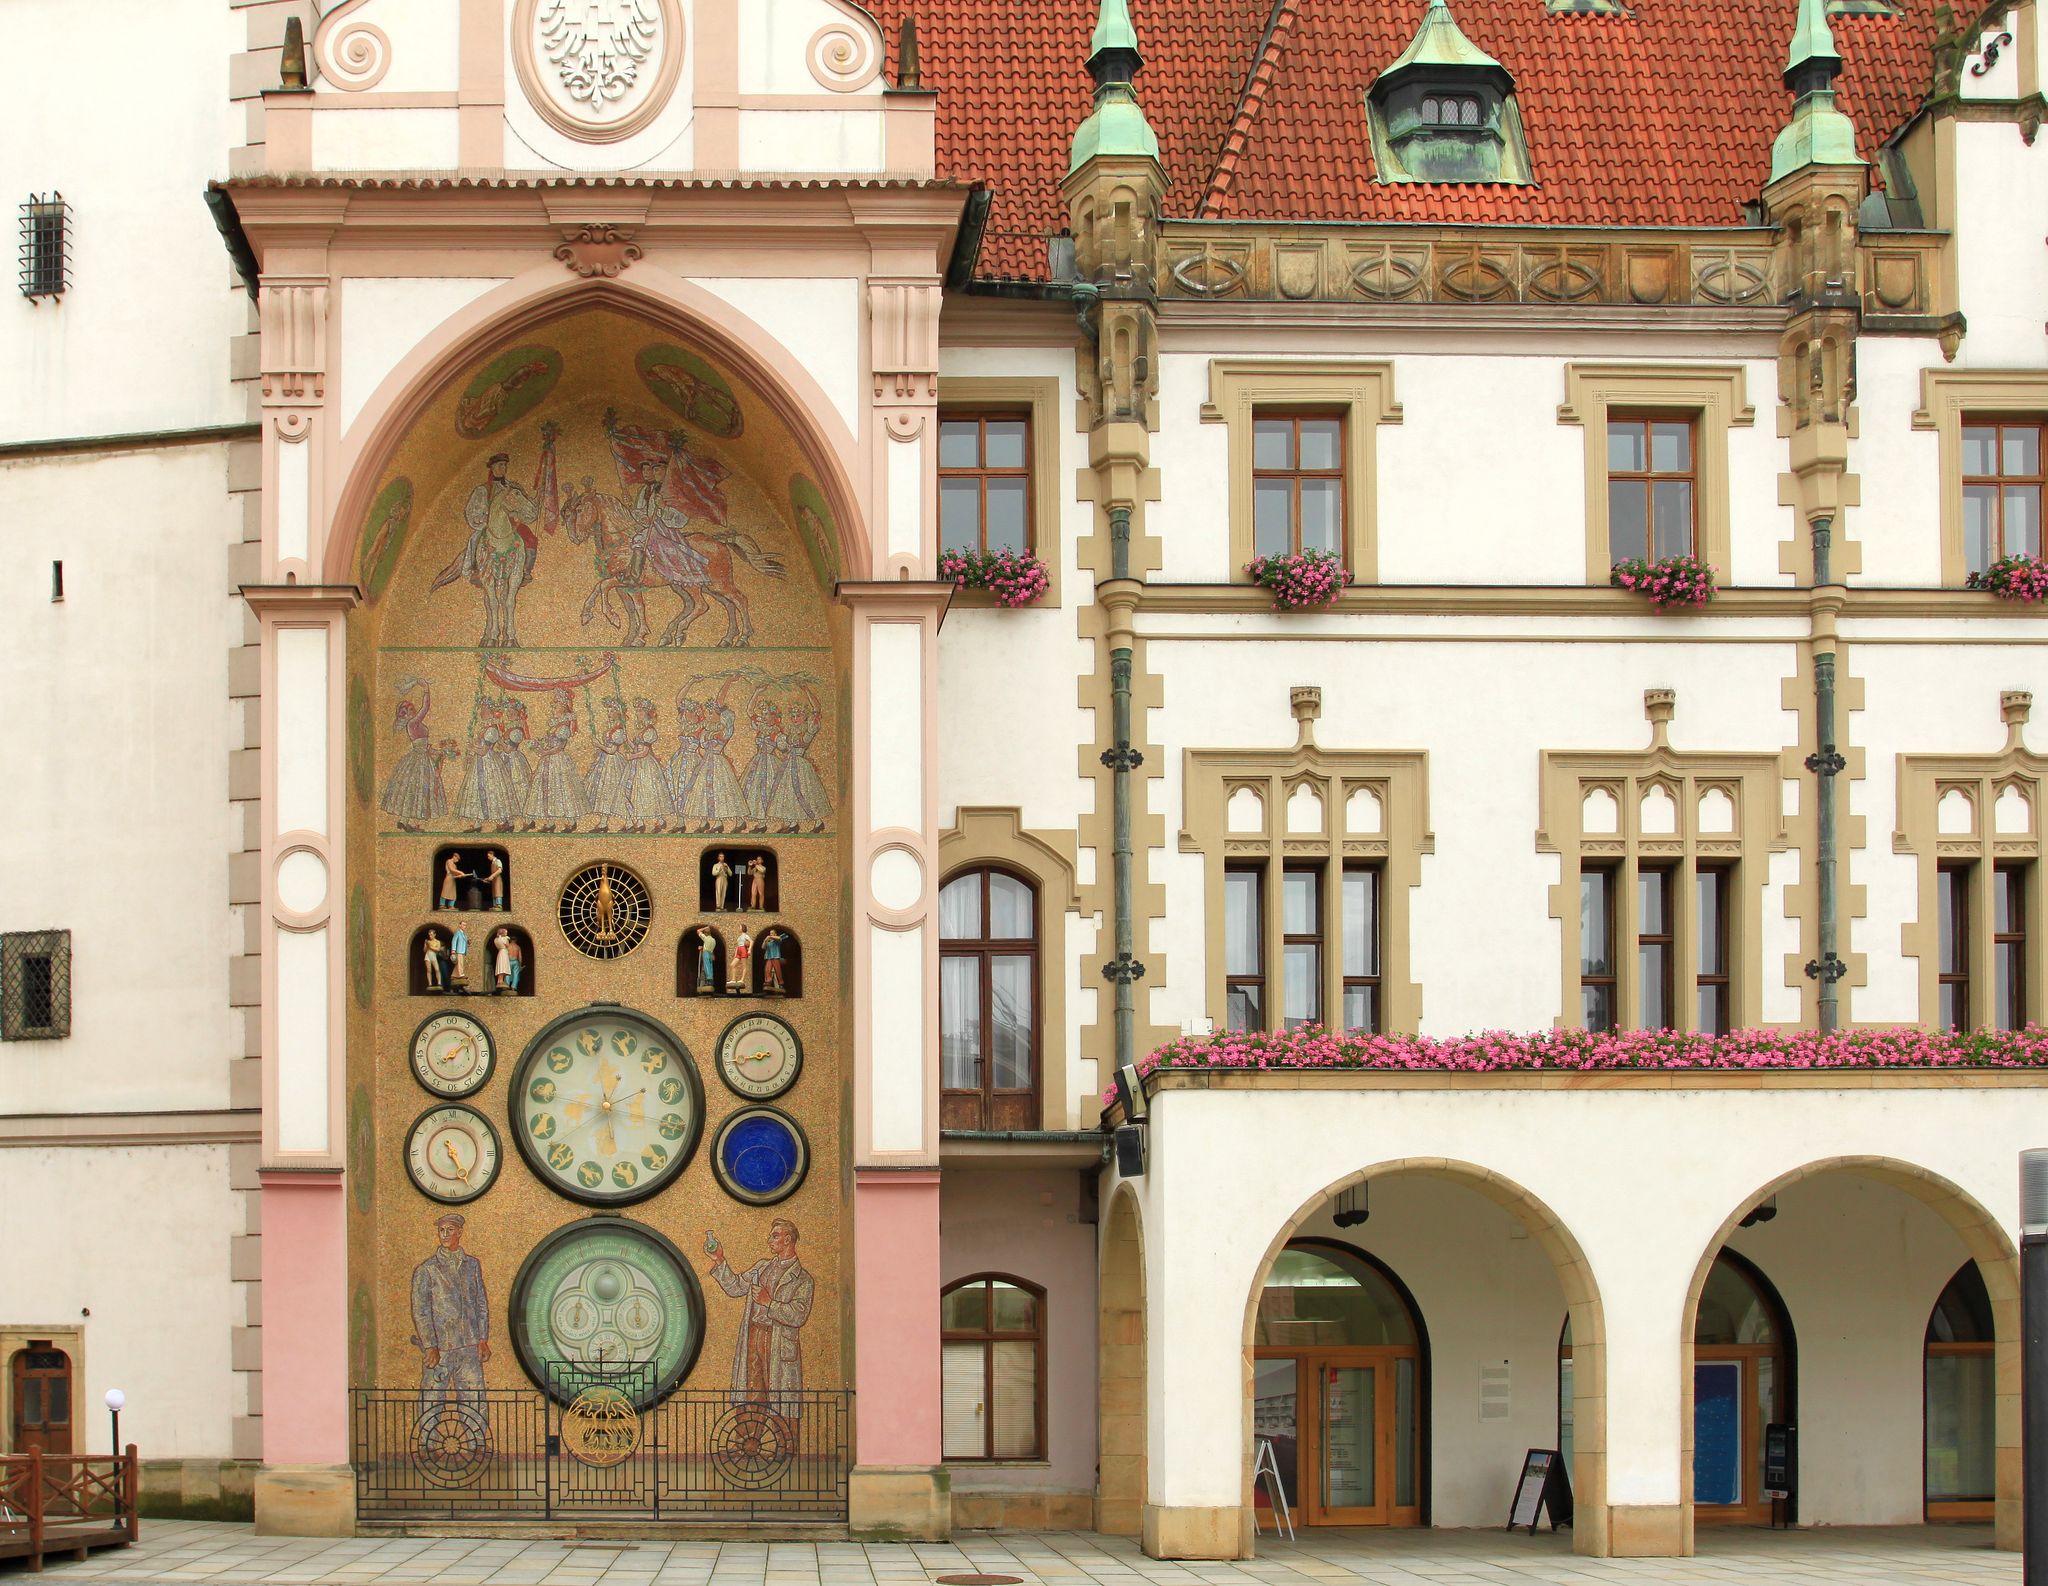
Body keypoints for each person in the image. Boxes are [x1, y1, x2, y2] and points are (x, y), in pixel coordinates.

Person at [706, 1219, 813, 1419]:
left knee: (782, 1399)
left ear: (788, 1239)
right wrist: (719, 1260)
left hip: (778, 1341)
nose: (769, 1240)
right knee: (751, 1391)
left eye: (775, 1236)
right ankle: (748, 1445)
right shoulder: (762, 1267)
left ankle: (785, 1448)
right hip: (754, 1335)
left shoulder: (803, 1279)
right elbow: (736, 1287)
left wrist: (768, 1303)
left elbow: (798, 1315)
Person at [411, 1214, 492, 1436]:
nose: (445, 1234)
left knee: (475, 1398)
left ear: (459, 1232)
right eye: (441, 1230)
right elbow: (421, 1311)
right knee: (432, 1398)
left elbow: (480, 1303)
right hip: (441, 1349)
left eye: (449, 1230)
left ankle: (475, 1445)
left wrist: (483, 1339)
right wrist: (430, 1345)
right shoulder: (427, 1269)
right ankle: (429, 1444)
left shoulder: (472, 1265)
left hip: (469, 1345)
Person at [381, 682, 447, 833]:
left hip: (423, 756)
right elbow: (425, 708)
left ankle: (405, 822)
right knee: (416, 788)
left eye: (412, 708)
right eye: (410, 709)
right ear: (406, 714)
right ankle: (407, 822)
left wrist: (439, 752)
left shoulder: (416, 724)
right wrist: (426, 690)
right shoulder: (412, 723)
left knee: (416, 789)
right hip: (418, 759)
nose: (414, 710)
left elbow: (425, 746)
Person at [759, 928, 787, 994]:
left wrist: (771, 937)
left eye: (772, 933)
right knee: (767, 970)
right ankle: (768, 982)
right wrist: (765, 941)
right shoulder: (768, 941)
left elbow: (779, 938)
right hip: (769, 957)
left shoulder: (777, 940)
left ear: (775, 934)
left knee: (778, 970)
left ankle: (781, 983)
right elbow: (763, 947)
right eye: (770, 933)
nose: (770, 934)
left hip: (775, 956)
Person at [727, 925, 753, 994]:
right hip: (739, 950)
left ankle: (742, 979)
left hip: (743, 949)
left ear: (742, 928)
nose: (739, 928)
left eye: (740, 927)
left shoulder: (745, 935)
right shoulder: (739, 937)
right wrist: (735, 954)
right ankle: (733, 979)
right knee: (732, 965)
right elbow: (737, 946)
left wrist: (749, 950)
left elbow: (751, 941)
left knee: (744, 965)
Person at [696, 926, 719, 993]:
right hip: (711, 953)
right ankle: (710, 980)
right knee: (710, 967)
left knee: (706, 967)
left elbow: (698, 931)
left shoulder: (705, 938)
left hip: (706, 953)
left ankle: (709, 981)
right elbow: (709, 947)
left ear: (705, 934)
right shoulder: (713, 940)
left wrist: (705, 928)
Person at [490, 927, 513, 993]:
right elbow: (508, 945)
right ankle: (500, 980)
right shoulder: (504, 939)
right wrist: (507, 940)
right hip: (504, 952)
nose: (506, 934)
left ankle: (500, 980)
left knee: (501, 966)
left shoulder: (496, 939)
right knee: (503, 966)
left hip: (500, 952)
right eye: (505, 932)